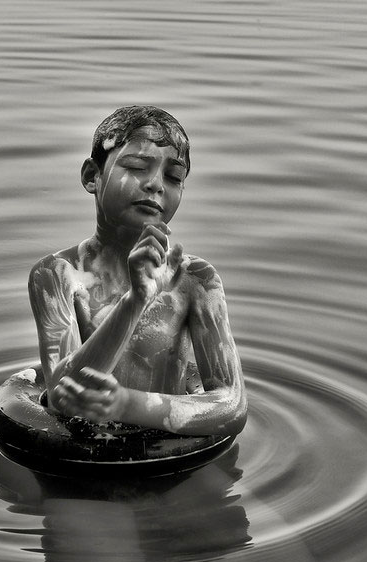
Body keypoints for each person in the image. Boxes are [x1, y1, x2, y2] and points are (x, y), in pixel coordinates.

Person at [28, 105, 247, 438]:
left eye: (174, 177)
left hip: (169, 462)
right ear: (92, 176)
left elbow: (231, 403)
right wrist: (136, 299)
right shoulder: (57, 275)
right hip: (76, 460)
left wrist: (124, 405)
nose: (156, 185)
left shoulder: (194, 280)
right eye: (135, 167)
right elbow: (61, 394)